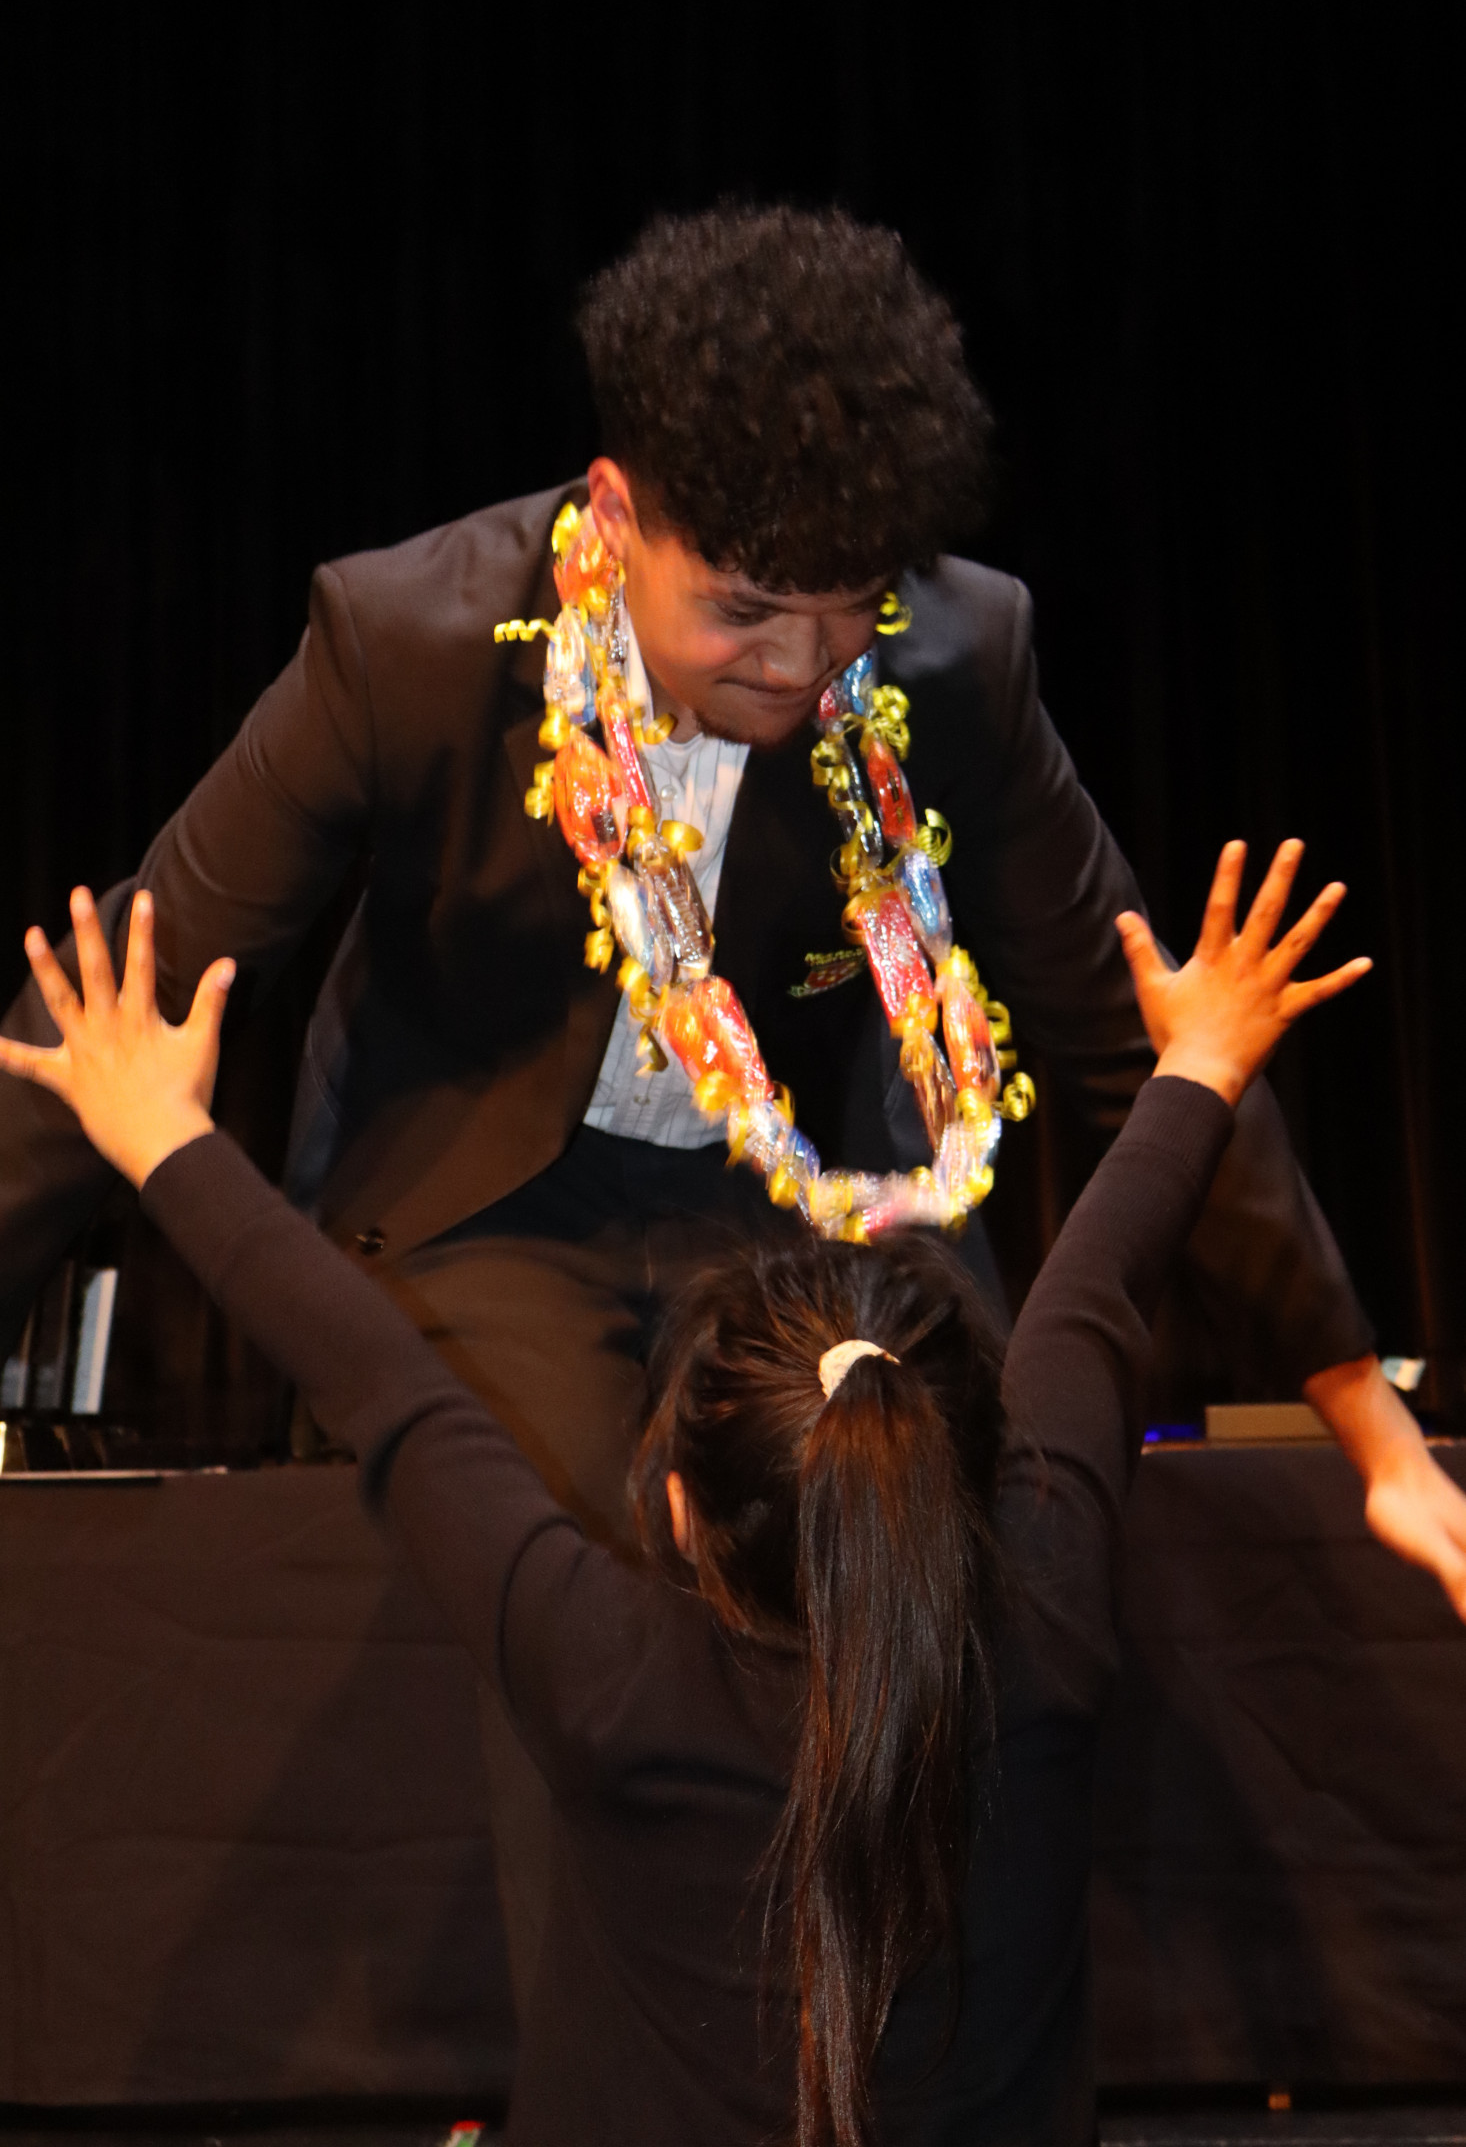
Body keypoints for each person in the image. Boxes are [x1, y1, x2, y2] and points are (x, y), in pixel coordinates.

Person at [2, 206, 1463, 2003]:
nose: (797, 664)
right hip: (487, 1204)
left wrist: (1369, 1428)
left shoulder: (950, 656)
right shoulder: (407, 638)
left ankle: (926, 2044)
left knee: (956, 1506)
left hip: (807, 1205)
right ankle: (639, 2068)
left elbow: (1142, 1036)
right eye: (745, 610)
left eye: (845, 612)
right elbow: (106, 1014)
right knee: (612, 1554)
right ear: (616, 516)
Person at [0, 839, 1376, 2145]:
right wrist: (1203, 1059)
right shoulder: (1048, 1621)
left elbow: (384, 1383)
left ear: (674, 1509)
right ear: (959, 1466)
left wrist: (154, 1132)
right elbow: (1094, 1294)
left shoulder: (612, 1681)